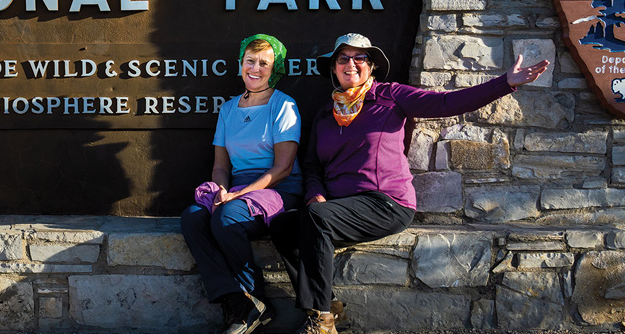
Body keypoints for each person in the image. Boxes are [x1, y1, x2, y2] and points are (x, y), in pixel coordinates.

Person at [270, 33, 549, 334]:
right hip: (336, 209)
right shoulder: (326, 114)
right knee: (283, 227)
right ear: (334, 68)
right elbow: (312, 164)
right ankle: (332, 308)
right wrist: (315, 194)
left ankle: (321, 320)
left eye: (360, 58)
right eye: (343, 59)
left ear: (371, 66)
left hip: (386, 203)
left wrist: (505, 82)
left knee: (316, 219)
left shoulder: (390, 96)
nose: (351, 64)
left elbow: (446, 102)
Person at [181, 34, 303, 334]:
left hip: (278, 189)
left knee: (227, 216)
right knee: (193, 217)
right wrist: (222, 188)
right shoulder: (228, 109)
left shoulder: (283, 106)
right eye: (250, 60)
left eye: (264, 63)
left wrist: (239, 195)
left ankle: (253, 295)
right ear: (241, 63)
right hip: (237, 189)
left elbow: (283, 167)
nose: (255, 68)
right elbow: (221, 166)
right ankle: (236, 300)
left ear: (275, 69)